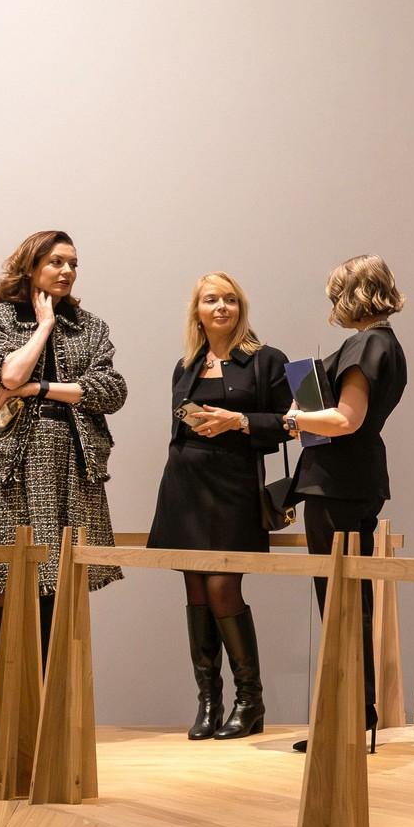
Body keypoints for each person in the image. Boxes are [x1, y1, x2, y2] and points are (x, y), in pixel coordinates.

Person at [0, 230, 127, 751]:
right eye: (56, 262)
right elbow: (7, 373)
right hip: (8, 469)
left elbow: (110, 390)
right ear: (31, 267)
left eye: (73, 263)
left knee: (58, 588)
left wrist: (41, 388)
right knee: (1, 588)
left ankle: (47, 706)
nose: (67, 271)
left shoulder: (92, 328)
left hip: (70, 465)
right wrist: (44, 326)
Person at [147, 272, 292, 740]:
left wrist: (240, 421)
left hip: (234, 487)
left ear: (240, 307)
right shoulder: (185, 365)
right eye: (211, 300)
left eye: (230, 299)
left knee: (222, 587)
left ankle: (250, 701)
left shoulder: (267, 360)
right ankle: (208, 701)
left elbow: (294, 422)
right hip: (185, 486)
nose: (222, 307)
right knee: (195, 590)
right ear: (198, 311)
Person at [283, 255, 407, 753]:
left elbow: (345, 420)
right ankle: (354, 714)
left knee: (340, 601)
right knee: (348, 600)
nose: (333, 305)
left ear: (351, 295)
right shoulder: (385, 344)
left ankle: (350, 717)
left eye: (336, 294)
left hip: (337, 483)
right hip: (353, 479)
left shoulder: (367, 343)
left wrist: (294, 419)